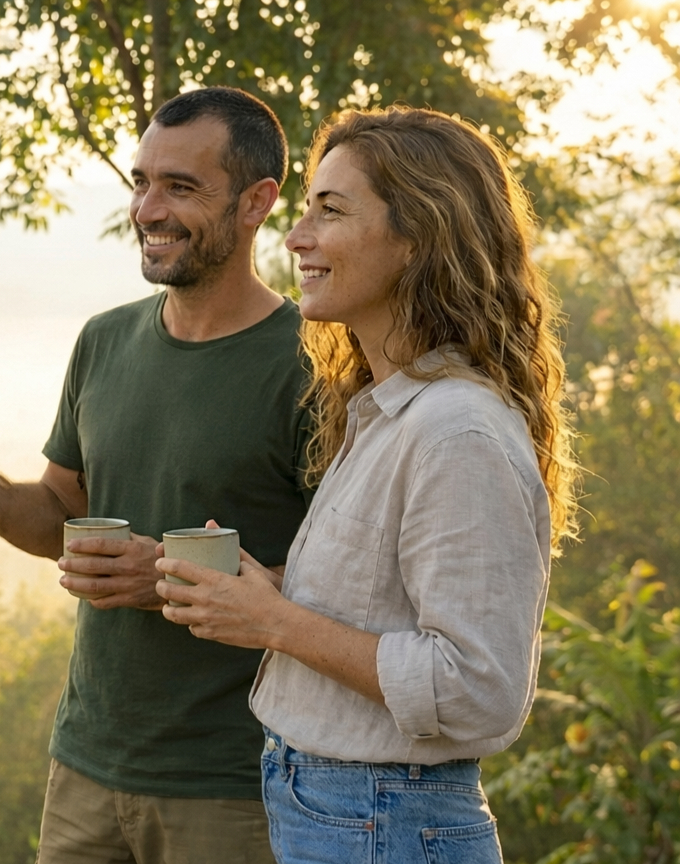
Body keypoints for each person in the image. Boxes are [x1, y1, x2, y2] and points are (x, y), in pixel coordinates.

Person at [154, 107, 577, 863]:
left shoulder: (457, 431)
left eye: (331, 211)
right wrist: (263, 593)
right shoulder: (386, 411)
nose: (295, 237)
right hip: (349, 814)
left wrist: (277, 624)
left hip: (385, 820)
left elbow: (476, 688)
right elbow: (384, 611)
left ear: (418, 238)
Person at [0, 87, 311, 863]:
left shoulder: (310, 366)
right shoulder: (104, 341)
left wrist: (167, 575)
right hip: (85, 766)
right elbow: (61, 512)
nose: (148, 210)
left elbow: (352, 584)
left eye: (181, 188)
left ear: (257, 203)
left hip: (233, 783)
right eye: (141, 182)